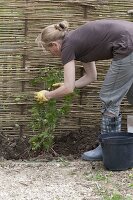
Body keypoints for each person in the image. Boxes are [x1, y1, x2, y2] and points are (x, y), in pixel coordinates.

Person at [35, 19, 133, 161]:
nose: (50, 53)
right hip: (129, 41)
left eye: (48, 49)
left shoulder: (68, 46)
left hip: (127, 46)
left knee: (109, 98)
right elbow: (91, 76)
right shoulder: (78, 40)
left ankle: (108, 149)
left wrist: (47, 95)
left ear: (54, 45)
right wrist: (71, 83)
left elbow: (68, 89)